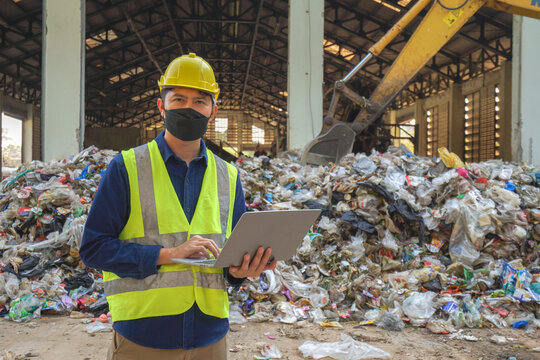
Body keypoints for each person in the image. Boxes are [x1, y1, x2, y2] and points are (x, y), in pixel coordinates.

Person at [80, 53, 277, 360]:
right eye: (179, 99)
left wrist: (242, 271)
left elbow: (231, 261)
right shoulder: (126, 168)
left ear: (213, 110)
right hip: (142, 337)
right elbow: (94, 249)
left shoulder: (229, 176)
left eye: (200, 101)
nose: (189, 108)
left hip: (209, 338)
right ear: (161, 106)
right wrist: (169, 254)